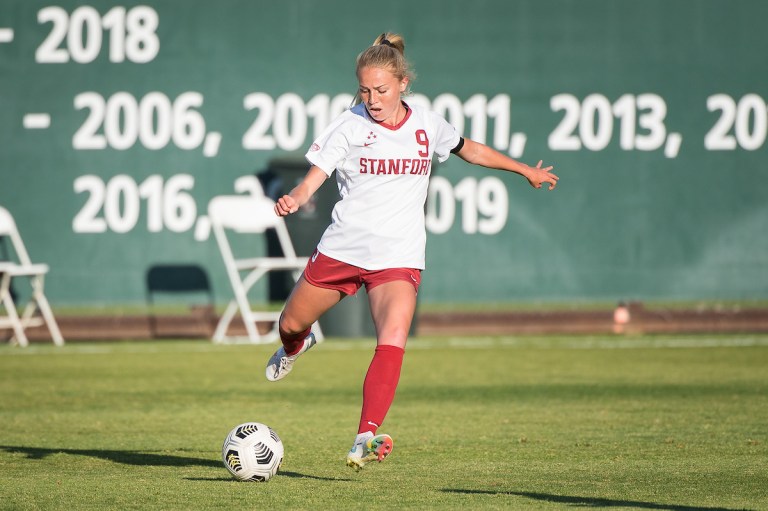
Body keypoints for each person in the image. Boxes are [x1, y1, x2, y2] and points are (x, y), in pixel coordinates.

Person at [265, 32, 559, 470]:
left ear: (403, 83)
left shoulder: (426, 122)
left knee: (393, 338)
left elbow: (469, 149)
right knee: (289, 324)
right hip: (343, 248)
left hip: (397, 255)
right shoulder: (350, 124)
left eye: (381, 90)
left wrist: (523, 171)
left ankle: (365, 434)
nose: (373, 99)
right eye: (365, 90)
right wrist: (298, 195)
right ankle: (297, 346)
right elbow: (317, 173)